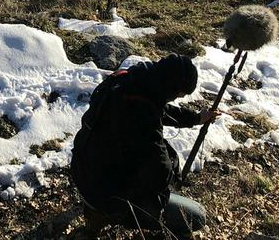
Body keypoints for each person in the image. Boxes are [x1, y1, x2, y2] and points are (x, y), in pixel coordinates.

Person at [70, 54, 218, 239]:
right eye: (179, 94)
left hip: (83, 172)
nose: (176, 99)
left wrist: (196, 118)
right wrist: (173, 173)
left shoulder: (127, 82)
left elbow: (156, 108)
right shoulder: (141, 114)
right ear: (172, 88)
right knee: (196, 216)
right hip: (104, 192)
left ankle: (95, 215)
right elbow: (159, 173)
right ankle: (109, 212)